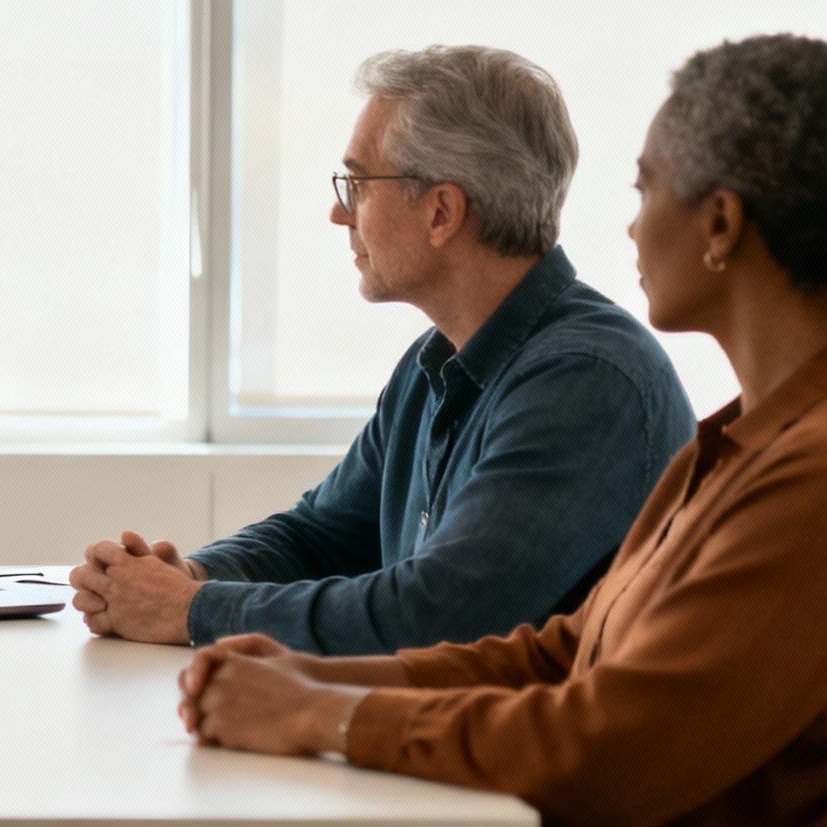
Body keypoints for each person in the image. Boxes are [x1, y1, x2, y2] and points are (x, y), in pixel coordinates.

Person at [137, 33, 827, 827]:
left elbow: (604, 746)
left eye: (643, 189)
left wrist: (320, 711)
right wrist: (308, 673)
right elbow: (563, 653)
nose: (625, 228)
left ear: (721, 226)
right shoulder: (736, 440)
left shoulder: (799, 476)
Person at [69, 46, 694, 656]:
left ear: (442, 212)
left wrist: (186, 611)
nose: (339, 214)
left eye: (357, 184)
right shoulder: (437, 360)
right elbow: (322, 536)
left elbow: (436, 617)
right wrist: (193, 576)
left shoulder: (585, 380)